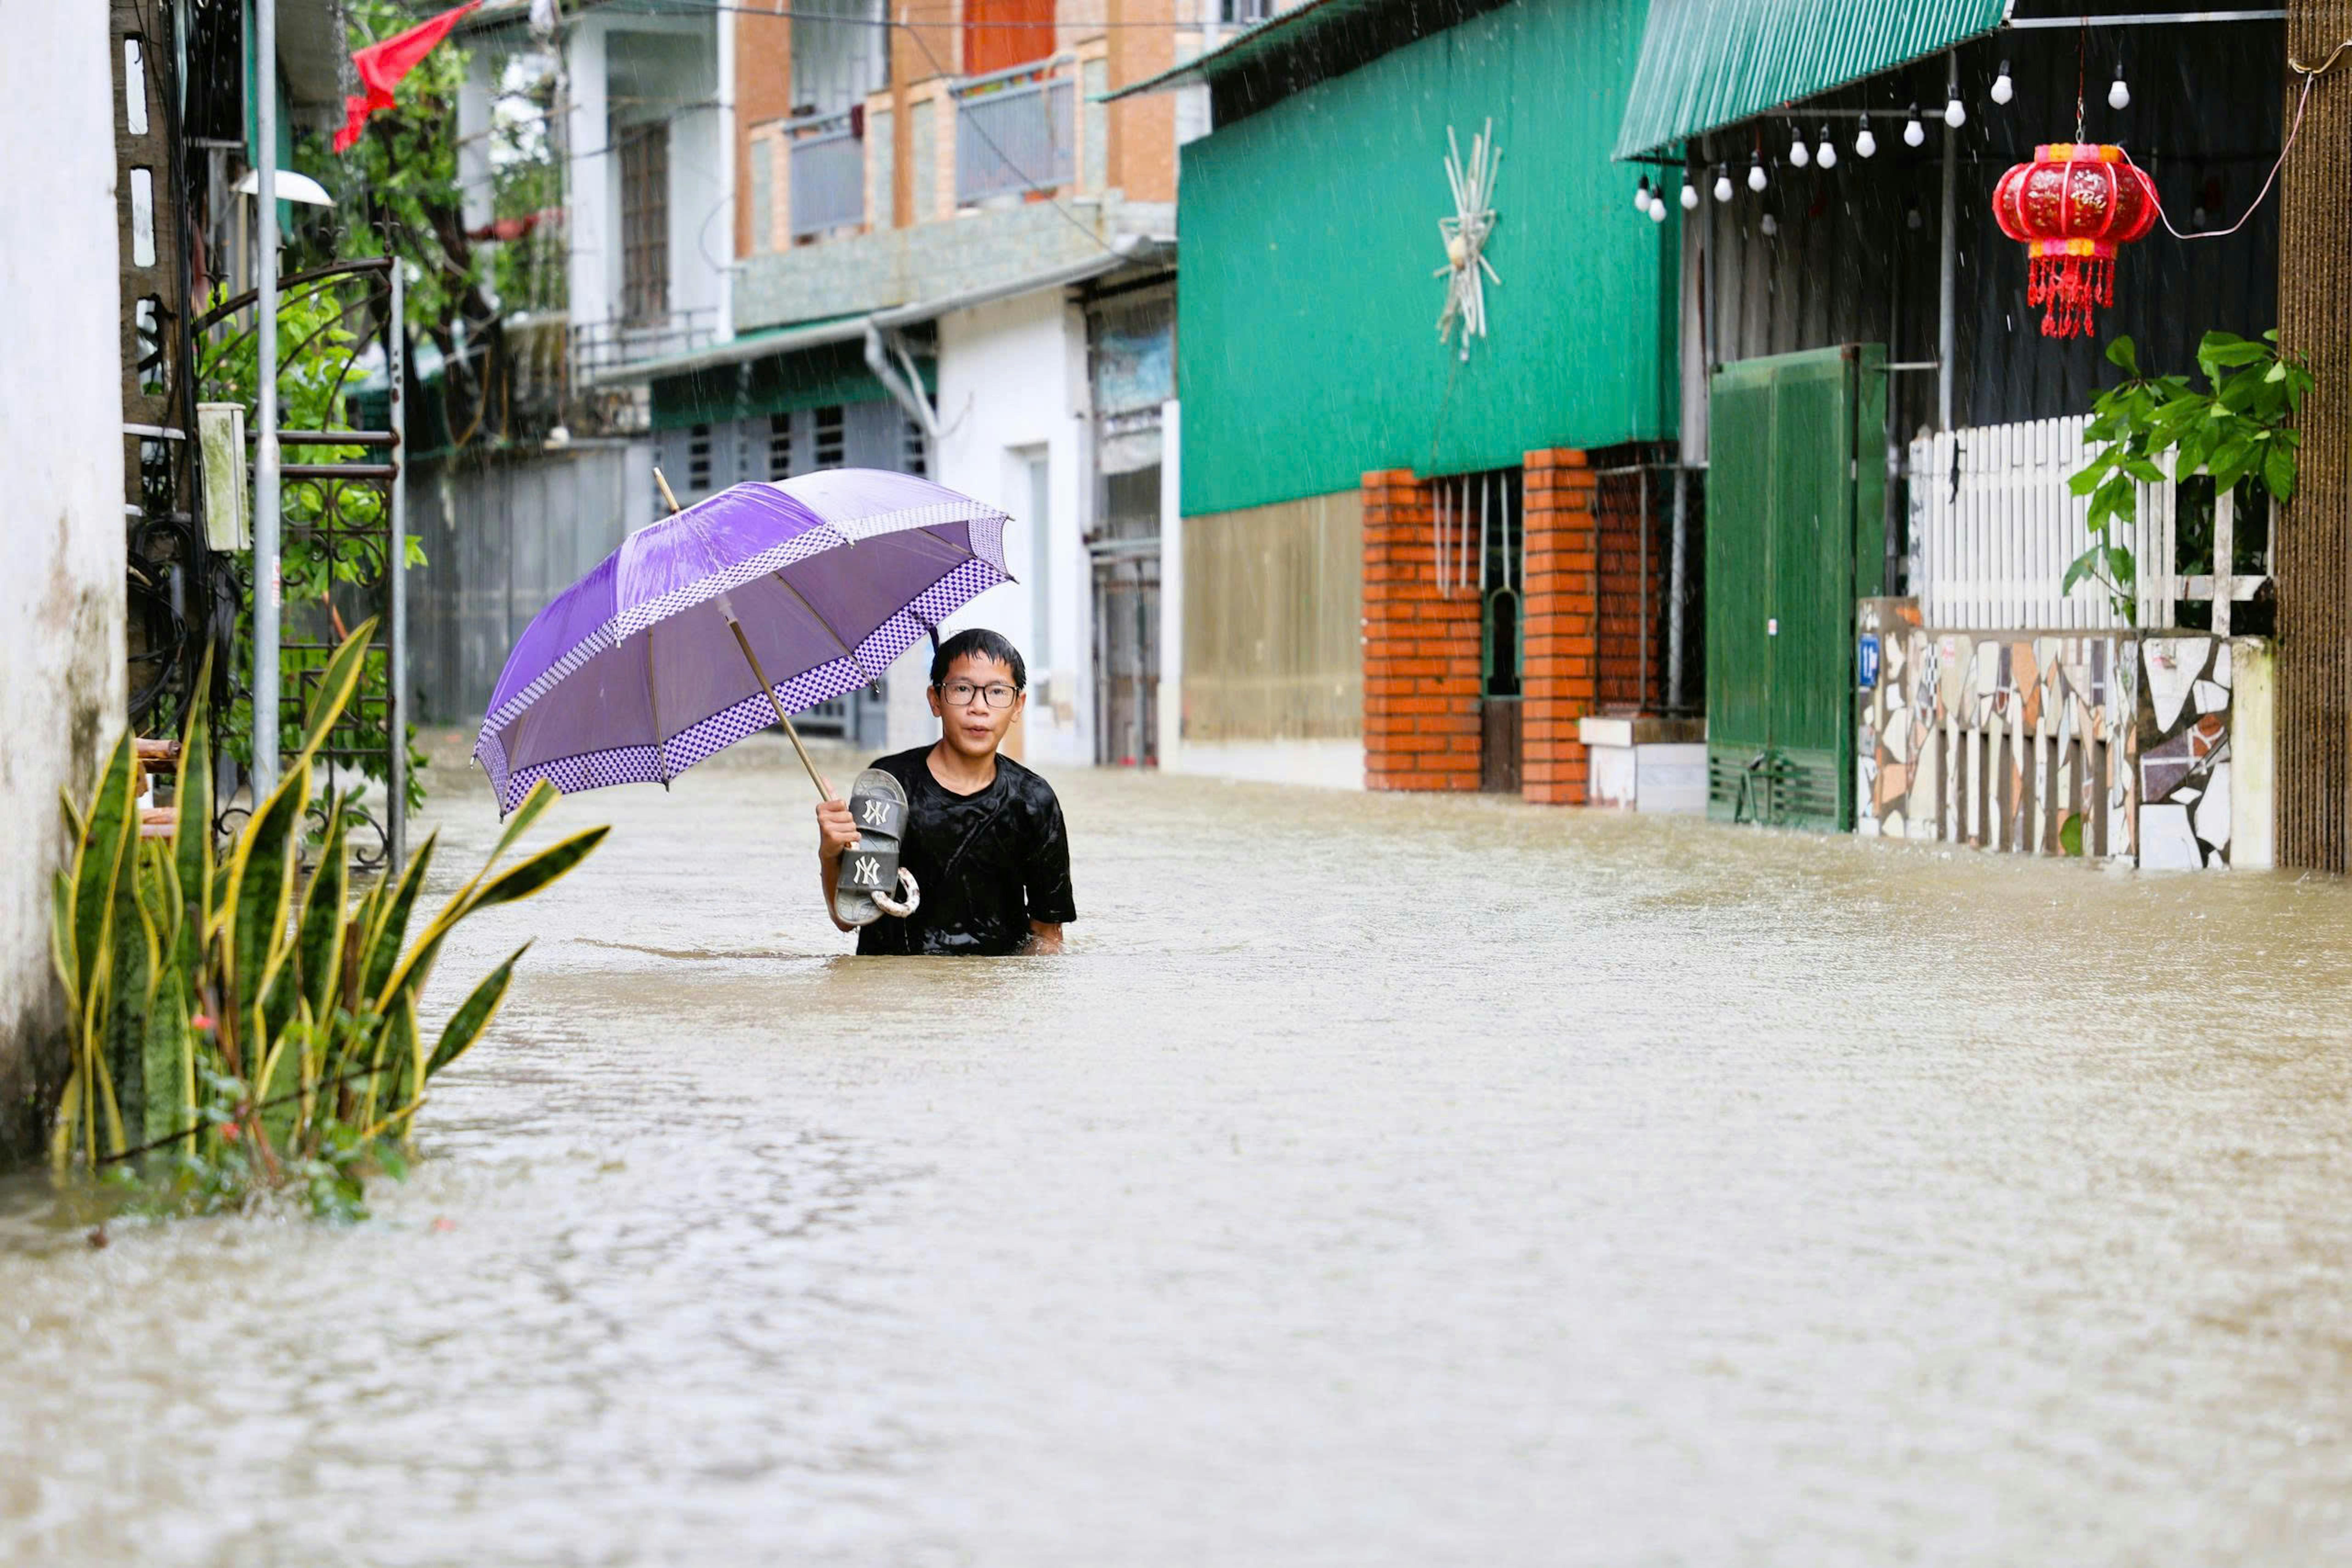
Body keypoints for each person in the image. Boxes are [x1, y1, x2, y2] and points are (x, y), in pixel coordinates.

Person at [815, 628, 1075, 955]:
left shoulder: (1035, 801)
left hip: (991, 993)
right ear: (935, 699)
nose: (979, 707)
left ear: (1018, 705)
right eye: (962, 689)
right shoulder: (890, 785)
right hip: (896, 987)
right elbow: (848, 918)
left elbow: (1048, 937)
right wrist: (830, 852)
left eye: (997, 692)